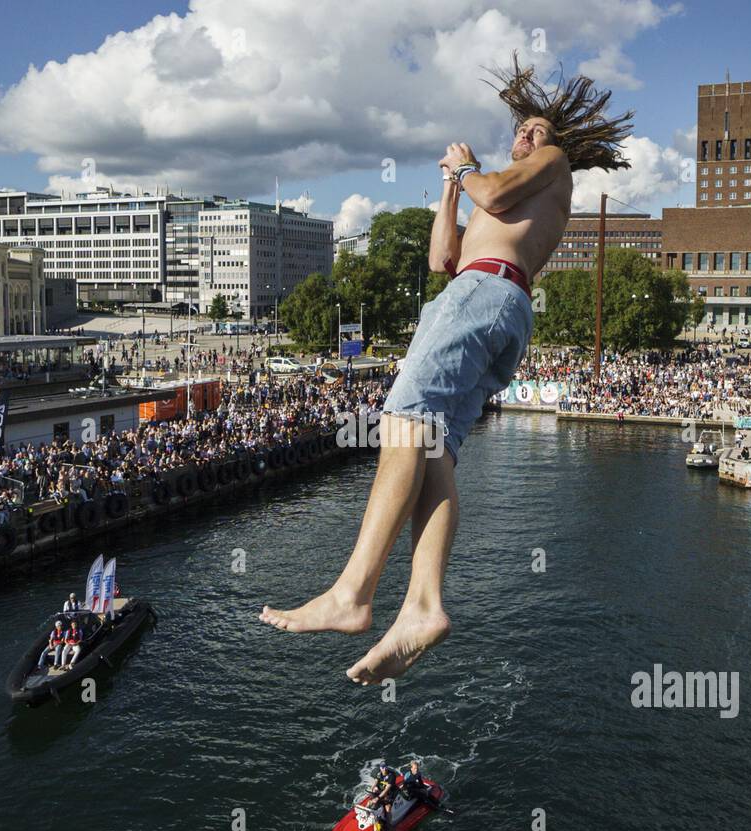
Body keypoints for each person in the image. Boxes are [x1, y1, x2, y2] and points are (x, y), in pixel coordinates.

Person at [261, 53, 633, 684]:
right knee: (432, 449)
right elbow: (442, 257)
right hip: (472, 294)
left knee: (403, 423)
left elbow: (488, 191)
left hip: (484, 296)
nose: (525, 137)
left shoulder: (551, 166)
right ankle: (423, 606)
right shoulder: (501, 195)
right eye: (521, 131)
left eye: (536, 132)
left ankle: (353, 593)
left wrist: (468, 170)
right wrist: (448, 186)